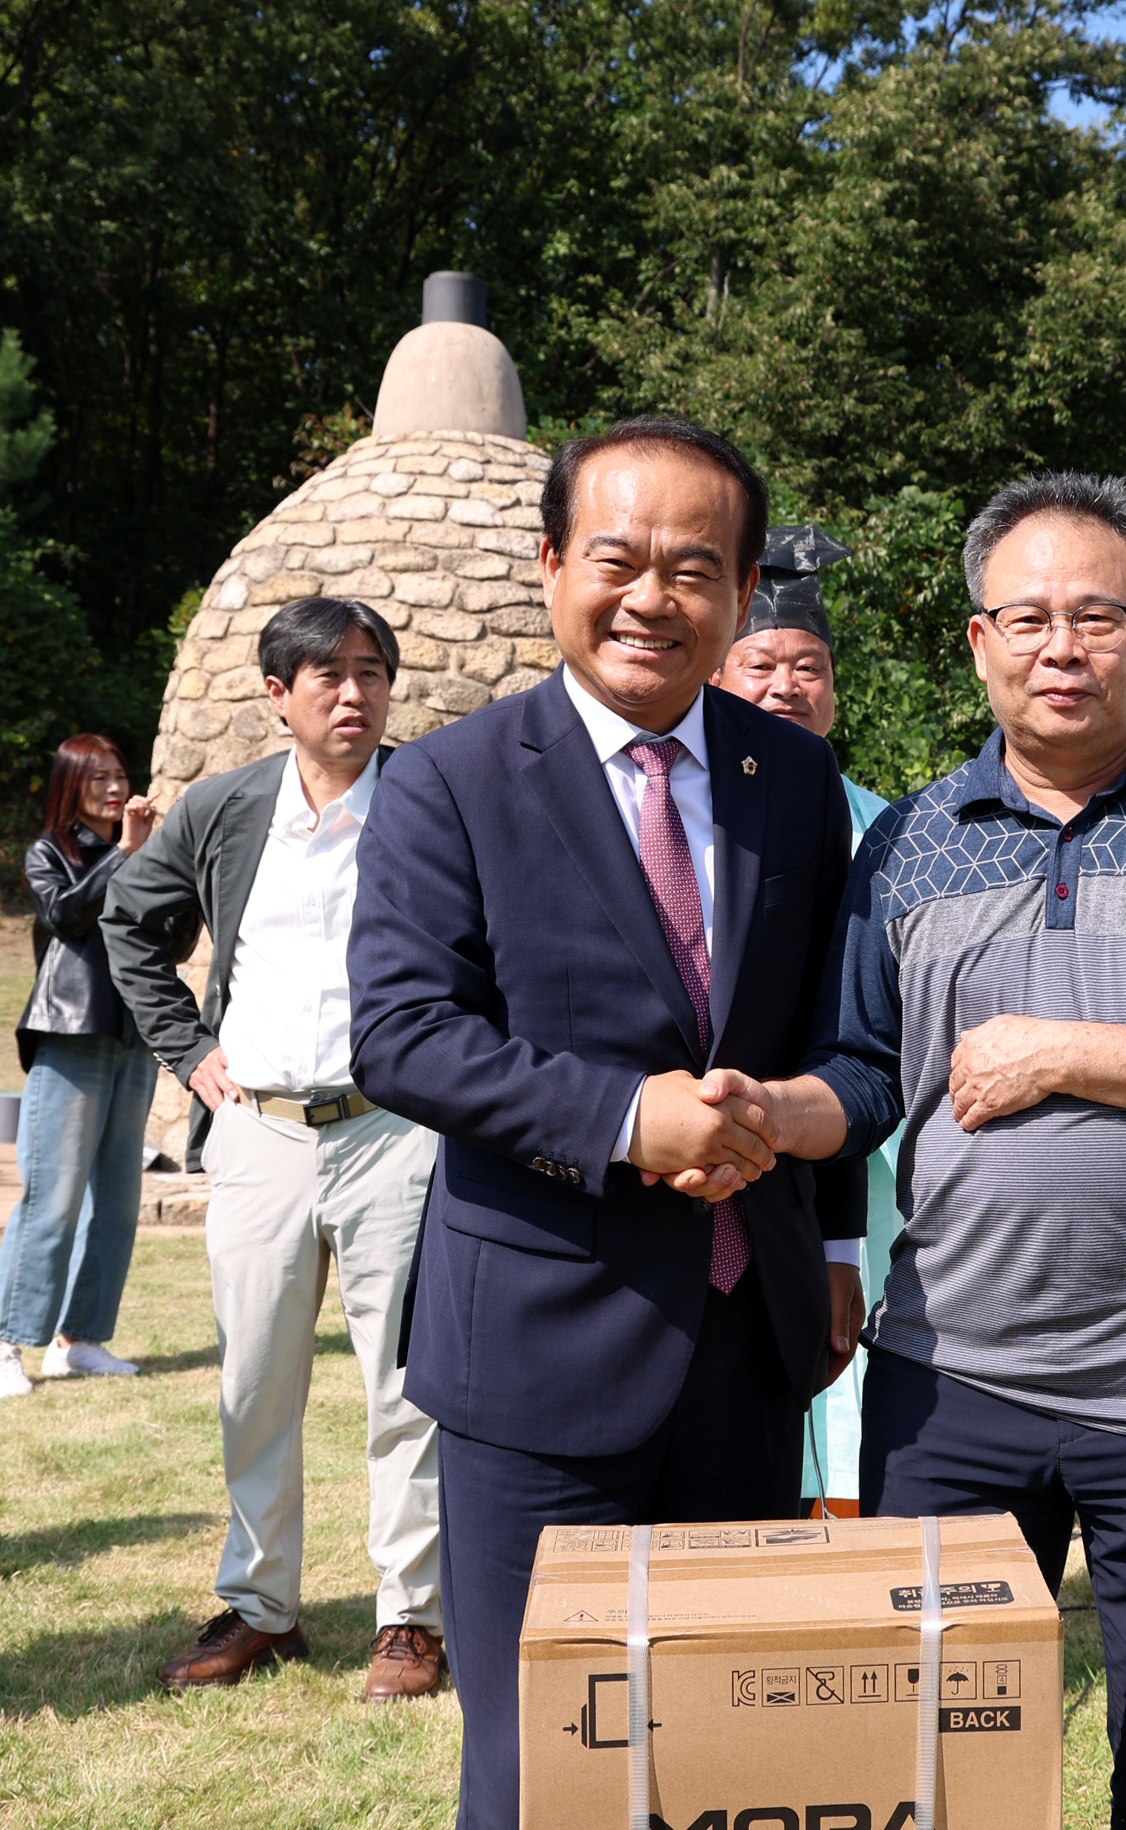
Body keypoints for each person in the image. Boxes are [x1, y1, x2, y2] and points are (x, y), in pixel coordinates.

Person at [729, 473, 1126, 1829]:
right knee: (923, 1765)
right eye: (1025, 617)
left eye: (1093, 615)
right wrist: (775, 1119)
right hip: (955, 1373)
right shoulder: (906, 841)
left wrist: (1060, 1049)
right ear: (976, 642)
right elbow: (865, 1074)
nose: (1059, 646)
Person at [345, 417, 864, 1830]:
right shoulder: (449, 781)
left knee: (721, 1747)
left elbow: (831, 1035)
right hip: (536, 1343)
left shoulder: (794, 779)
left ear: (744, 593)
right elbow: (400, 1033)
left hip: (749, 1343)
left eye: (694, 567)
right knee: (540, 1760)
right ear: (551, 561)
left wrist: (831, 1242)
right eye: (618, 558)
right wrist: (625, 1118)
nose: (651, 596)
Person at [102, 596, 449, 1703]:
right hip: (256, 1131)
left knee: (406, 1384)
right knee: (255, 1378)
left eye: (372, 673)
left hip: (395, 1130)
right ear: (277, 694)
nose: (354, 694)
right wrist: (188, 1052)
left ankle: (411, 1618)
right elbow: (129, 923)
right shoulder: (227, 807)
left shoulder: (435, 801)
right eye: (329, 677)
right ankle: (262, 1605)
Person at [707, 523, 893, 1515]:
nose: (785, 685)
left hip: (877, 1141)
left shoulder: (893, 823)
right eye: (762, 664)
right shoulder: (698, 813)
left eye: (807, 667)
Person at [0, 735, 157, 1399]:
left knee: (118, 1198)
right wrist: (129, 855)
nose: (113, 787)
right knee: (53, 1194)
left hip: (134, 1030)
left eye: (120, 774)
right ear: (70, 786)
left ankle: (80, 1341)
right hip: (71, 1031)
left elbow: (175, 935)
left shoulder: (142, 848)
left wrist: (164, 864)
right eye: (97, 777)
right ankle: (0, 1344)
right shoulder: (52, 851)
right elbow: (67, 915)